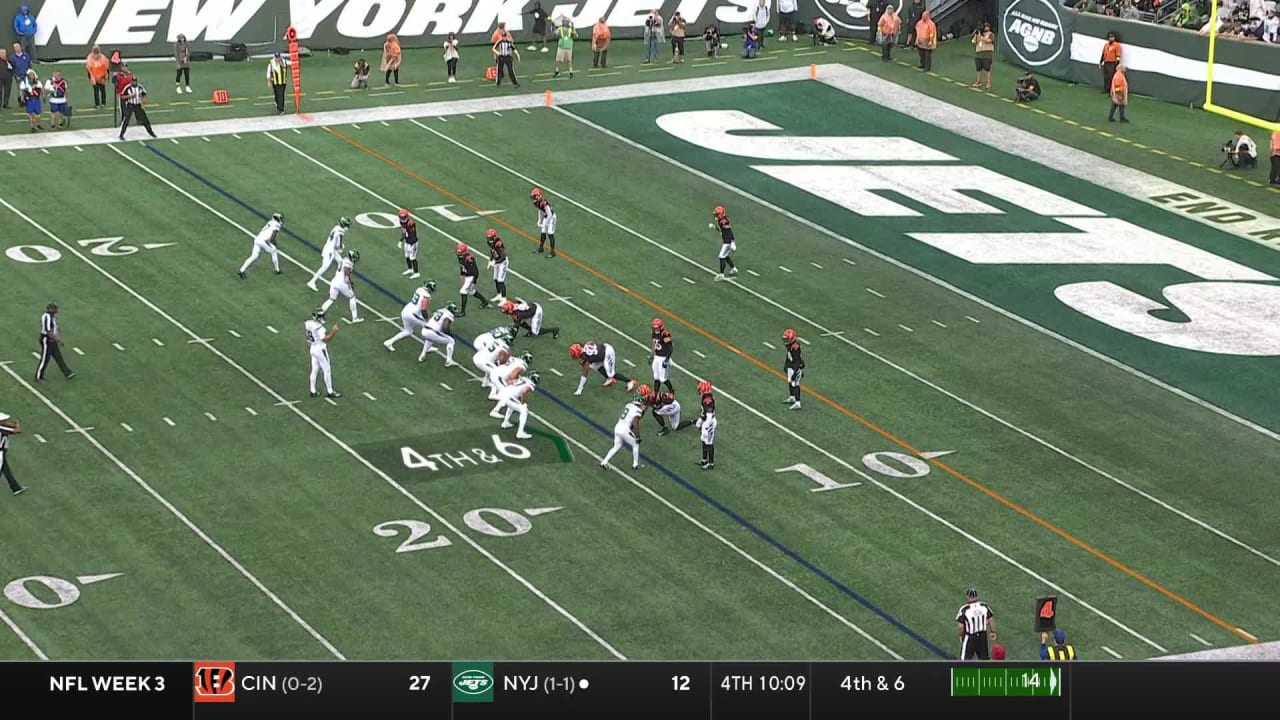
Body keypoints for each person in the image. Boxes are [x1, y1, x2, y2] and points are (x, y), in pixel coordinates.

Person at [385, 280, 436, 351]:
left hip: (406, 310)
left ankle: (389, 342)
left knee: (408, 331)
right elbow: (423, 310)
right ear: (429, 289)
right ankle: (427, 348)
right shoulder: (426, 296)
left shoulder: (419, 289)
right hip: (413, 314)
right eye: (432, 290)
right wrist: (427, 320)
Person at [570, 341, 636, 394]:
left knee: (611, 374)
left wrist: (580, 388)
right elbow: (591, 342)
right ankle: (609, 379)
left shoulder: (585, 357)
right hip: (604, 348)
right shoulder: (586, 346)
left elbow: (585, 373)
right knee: (595, 366)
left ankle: (630, 381)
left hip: (608, 353)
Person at [600, 395, 646, 470]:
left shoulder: (628, 405)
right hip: (625, 430)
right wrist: (637, 436)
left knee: (616, 446)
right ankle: (635, 464)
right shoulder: (638, 410)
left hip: (618, 427)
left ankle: (604, 462)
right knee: (635, 444)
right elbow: (635, 424)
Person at [304, 308, 341, 399]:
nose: (322, 317)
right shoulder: (319, 328)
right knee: (327, 370)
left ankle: (312, 390)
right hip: (320, 349)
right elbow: (325, 339)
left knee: (315, 369)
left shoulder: (308, 323)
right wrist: (333, 331)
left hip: (313, 348)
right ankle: (330, 391)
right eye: (320, 316)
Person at [308, 217, 349, 291]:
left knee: (341, 262)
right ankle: (312, 281)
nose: (347, 227)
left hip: (329, 247)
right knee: (325, 266)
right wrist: (341, 247)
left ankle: (338, 281)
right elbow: (338, 246)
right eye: (347, 225)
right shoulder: (341, 232)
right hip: (330, 250)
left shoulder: (336, 227)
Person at [36, 303, 76, 382]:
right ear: (51, 309)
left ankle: (67, 373)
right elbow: (48, 331)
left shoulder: (51, 317)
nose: (57, 310)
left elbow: (53, 327)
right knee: (45, 359)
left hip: (51, 339)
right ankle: (39, 376)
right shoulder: (47, 317)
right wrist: (58, 340)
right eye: (55, 309)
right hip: (47, 340)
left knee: (58, 356)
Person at [320, 250, 362, 323]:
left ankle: (319, 315)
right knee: (352, 297)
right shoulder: (348, 263)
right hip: (341, 283)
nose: (355, 259)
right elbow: (346, 276)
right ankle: (355, 318)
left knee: (331, 299)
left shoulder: (345, 259)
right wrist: (350, 284)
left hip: (335, 281)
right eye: (355, 257)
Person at [239, 213, 284, 278]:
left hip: (257, 239)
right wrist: (274, 243)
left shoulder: (270, 222)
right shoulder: (276, 225)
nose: (281, 220)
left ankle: (241, 270)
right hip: (263, 241)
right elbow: (272, 237)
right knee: (274, 251)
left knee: (254, 256)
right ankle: (277, 270)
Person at [957, 588, 996, 660]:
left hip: (970, 637)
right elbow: (990, 619)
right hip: (982, 636)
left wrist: (961, 635)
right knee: (984, 658)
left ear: (967, 597)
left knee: (965, 659)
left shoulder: (964, 609)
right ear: (976, 597)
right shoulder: (984, 606)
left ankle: (965, 671)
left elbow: (961, 627)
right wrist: (993, 631)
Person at [0, 413, 25, 496]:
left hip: (2, 453)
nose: (6, 421)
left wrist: (12, 424)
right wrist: (17, 424)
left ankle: (16, 488)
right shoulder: (2, 428)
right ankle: (16, 488)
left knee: (6, 471)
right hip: (0, 453)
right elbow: (17, 431)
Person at [711, 205, 738, 278]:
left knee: (721, 256)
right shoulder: (721, 220)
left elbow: (727, 228)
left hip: (728, 242)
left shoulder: (722, 220)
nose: (715, 215)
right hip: (729, 241)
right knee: (725, 255)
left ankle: (721, 274)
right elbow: (722, 230)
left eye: (716, 214)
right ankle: (733, 268)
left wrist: (731, 242)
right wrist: (715, 227)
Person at [649, 318, 675, 394]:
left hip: (663, 357)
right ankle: (656, 392)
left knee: (662, 378)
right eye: (654, 327)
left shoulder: (665, 334)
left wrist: (667, 359)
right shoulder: (654, 333)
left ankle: (671, 390)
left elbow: (670, 348)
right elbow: (654, 344)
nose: (655, 329)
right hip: (657, 356)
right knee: (656, 376)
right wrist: (652, 355)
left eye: (656, 327)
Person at [696, 380, 717, 469]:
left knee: (709, 442)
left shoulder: (708, 400)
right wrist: (701, 419)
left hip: (710, 422)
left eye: (701, 389)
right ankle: (704, 459)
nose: (699, 390)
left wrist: (706, 427)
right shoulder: (706, 397)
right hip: (706, 421)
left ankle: (711, 463)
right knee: (704, 440)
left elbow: (708, 415)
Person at [782, 328, 804, 410]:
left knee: (795, 383)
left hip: (796, 366)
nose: (785, 340)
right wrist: (786, 364)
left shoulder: (795, 347)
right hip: (791, 365)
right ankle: (792, 397)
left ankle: (798, 402)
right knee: (790, 382)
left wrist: (795, 371)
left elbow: (797, 360)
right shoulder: (790, 346)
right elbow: (789, 356)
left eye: (787, 339)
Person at [485, 228, 510, 301]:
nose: (489, 239)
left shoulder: (498, 243)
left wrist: (495, 262)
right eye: (488, 237)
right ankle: (499, 295)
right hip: (497, 260)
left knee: (500, 280)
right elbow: (492, 251)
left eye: (490, 237)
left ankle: (504, 298)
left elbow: (503, 257)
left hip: (503, 262)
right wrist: (491, 259)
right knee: (495, 278)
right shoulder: (489, 242)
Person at [398, 207, 420, 278]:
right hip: (407, 241)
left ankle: (416, 272)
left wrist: (411, 244)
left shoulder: (411, 223)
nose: (403, 219)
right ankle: (410, 269)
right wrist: (401, 240)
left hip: (412, 242)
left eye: (404, 217)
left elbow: (412, 234)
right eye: (401, 217)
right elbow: (404, 232)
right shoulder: (402, 222)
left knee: (412, 257)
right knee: (406, 256)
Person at [972, 22, 994, 88]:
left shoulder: (991, 34)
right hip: (978, 53)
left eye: (987, 26)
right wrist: (977, 35)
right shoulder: (978, 34)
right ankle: (978, 81)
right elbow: (974, 42)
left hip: (987, 54)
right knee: (978, 69)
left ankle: (988, 83)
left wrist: (981, 37)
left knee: (987, 69)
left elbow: (988, 41)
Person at [18, 67, 39, 132]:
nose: (31, 76)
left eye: (32, 74)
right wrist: (22, 98)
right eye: (30, 74)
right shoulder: (24, 82)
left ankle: (36, 125)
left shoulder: (37, 82)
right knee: (30, 113)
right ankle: (32, 127)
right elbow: (21, 90)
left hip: (36, 99)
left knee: (36, 114)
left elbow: (39, 90)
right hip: (29, 99)